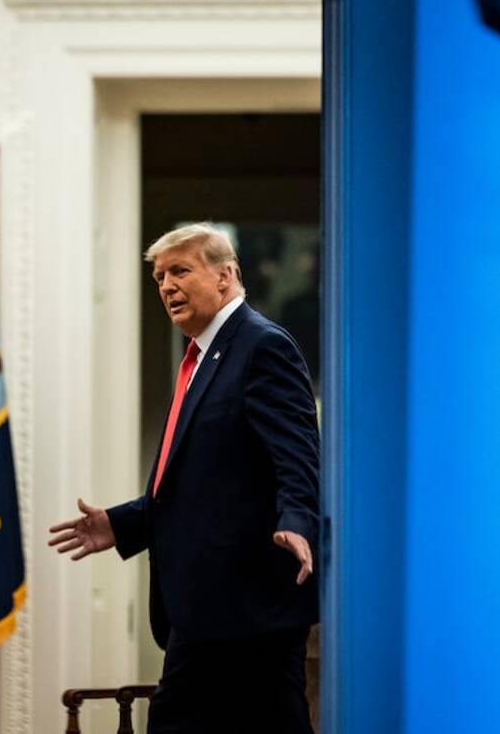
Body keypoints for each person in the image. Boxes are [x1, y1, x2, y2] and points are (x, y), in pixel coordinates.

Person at [48, 222, 320, 733]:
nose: (167, 286)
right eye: (158, 277)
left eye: (180, 271)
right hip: (210, 609)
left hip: (247, 604)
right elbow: (202, 485)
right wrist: (124, 523)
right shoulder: (202, 357)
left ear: (226, 276)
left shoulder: (262, 346)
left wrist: (298, 520)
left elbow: (298, 456)